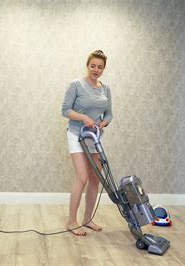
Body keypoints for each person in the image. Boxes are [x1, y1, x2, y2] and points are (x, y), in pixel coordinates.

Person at [61, 50, 113, 236]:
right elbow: (65, 110)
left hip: (94, 137)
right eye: (93, 66)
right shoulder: (76, 85)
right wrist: (83, 117)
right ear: (87, 65)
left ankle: (88, 219)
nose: (96, 70)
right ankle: (72, 221)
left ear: (103, 68)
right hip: (76, 134)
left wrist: (103, 123)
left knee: (95, 179)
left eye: (100, 67)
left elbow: (109, 114)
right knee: (82, 178)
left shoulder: (105, 89)